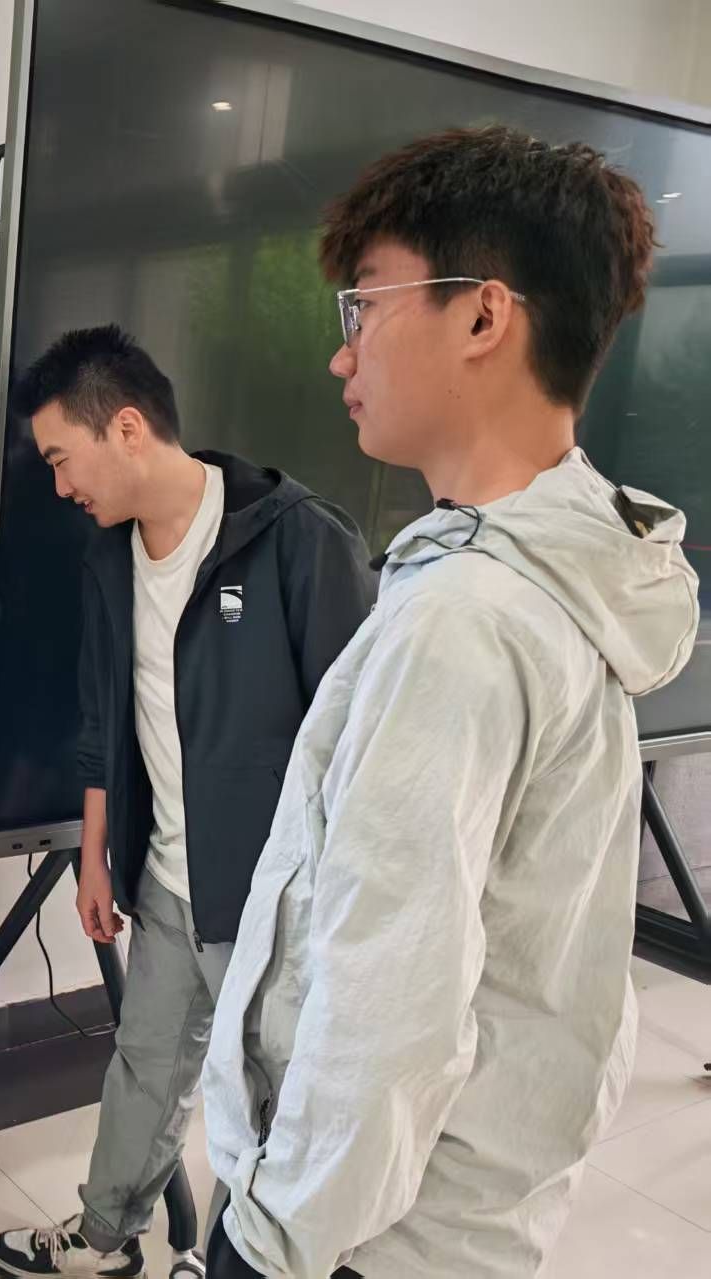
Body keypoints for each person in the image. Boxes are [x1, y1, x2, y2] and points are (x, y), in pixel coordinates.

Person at [200, 126, 701, 1278]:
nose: (342, 355)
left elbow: (386, 995)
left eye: (364, 305)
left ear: (481, 316)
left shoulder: (462, 618)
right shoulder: (571, 569)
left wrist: (268, 1240)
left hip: (364, 1239)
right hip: (470, 1209)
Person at [0, 325, 376, 1279]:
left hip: (277, 901)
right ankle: (105, 1235)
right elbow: (102, 716)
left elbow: (363, 744)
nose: (58, 486)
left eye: (60, 459)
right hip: (165, 879)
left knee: (277, 1099)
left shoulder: (298, 540)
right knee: (146, 1067)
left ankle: (255, 1260)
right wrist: (93, 852)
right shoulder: (108, 559)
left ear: (126, 428)